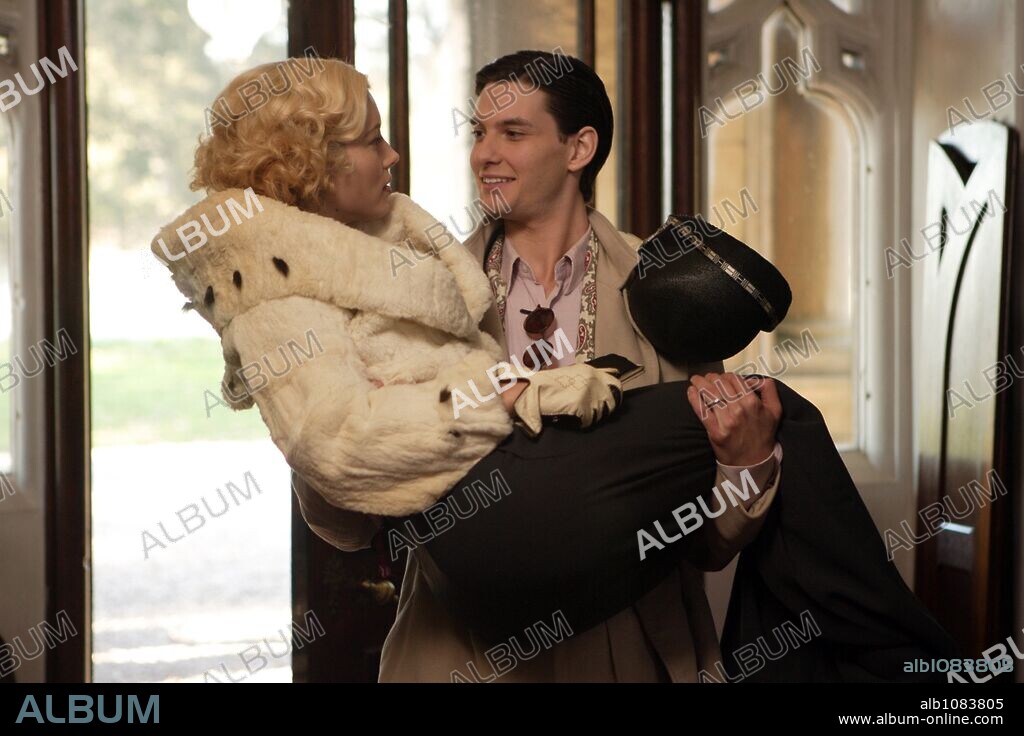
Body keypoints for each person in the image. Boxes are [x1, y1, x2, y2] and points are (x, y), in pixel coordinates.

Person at [154, 55, 789, 682]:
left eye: (512, 133)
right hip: (460, 656)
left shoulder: (667, 289)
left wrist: (747, 465)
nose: (485, 154)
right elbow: (347, 526)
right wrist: (317, 432)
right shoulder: (396, 281)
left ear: (579, 148)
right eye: (477, 132)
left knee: (795, 424)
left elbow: (705, 539)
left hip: (632, 652)